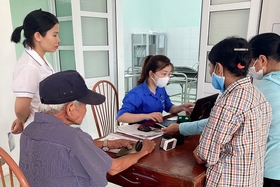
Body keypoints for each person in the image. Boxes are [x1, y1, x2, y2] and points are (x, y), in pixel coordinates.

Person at [162, 33, 280, 186]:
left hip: (229, 180)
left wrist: (201, 149)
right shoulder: (257, 93)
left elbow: (205, 154)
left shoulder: (228, 102)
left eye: (210, 67)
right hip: (252, 178)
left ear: (218, 67)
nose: (211, 72)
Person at [19, 70, 155, 187]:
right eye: (85, 104)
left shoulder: (29, 131)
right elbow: (114, 168)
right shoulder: (72, 137)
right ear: (70, 108)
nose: (86, 109)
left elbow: (65, 150)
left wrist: (107, 143)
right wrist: (143, 151)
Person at [10, 9, 60, 134]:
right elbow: (20, 109)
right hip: (39, 130)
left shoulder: (40, 60)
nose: (58, 39)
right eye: (54, 35)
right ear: (38, 36)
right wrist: (23, 120)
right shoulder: (29, 66)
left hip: (48, 125)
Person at [117, 55, 194, 124]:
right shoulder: (137, 93)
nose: (167, 77)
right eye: (164, 74)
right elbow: (121, 116)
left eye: (169, 74)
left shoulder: (160, 89)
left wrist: (182, 107)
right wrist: (146, 116)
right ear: (151, 74)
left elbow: (169, 107)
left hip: (155, 127)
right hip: (140, 130)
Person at [248, 33, 280, 187]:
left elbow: (226, 120)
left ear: (262, 60)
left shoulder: (260, 91)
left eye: (250, 62)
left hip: (271, 170)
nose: (249, 68)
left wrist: (181, 128)